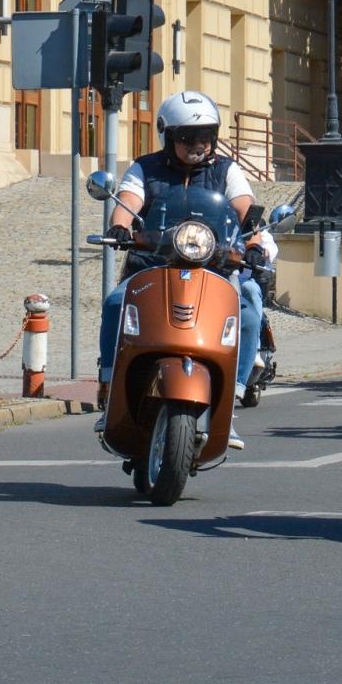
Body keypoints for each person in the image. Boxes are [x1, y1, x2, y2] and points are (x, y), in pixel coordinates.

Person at [96, 90, 257, 450]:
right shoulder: (145, 168)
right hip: (152, 265)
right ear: (168, 136)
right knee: (116, 303)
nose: (198, 145)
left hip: (214, 269)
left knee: (248, 309)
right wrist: (120, 226)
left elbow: (245, 208)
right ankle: (108, 387)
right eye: (187, 137)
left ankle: (230, 402)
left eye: (206, 136)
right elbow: (128, 200)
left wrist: (256, 241)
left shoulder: (226, 170)